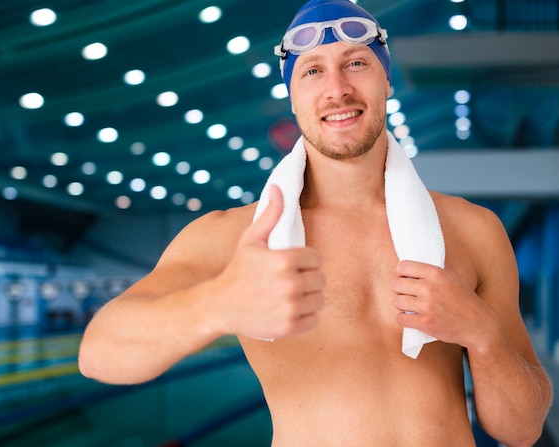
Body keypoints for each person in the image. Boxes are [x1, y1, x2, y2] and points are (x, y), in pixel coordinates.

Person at [78, 0, 553, 445]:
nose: (337, 89)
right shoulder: (237, 237)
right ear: (292, 97)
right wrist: (217, 304)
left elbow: (523, 429)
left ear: (386, 80)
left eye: (356, 63)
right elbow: (99, 354)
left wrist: (482, 333)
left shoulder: (472, 230)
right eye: (312, 71)